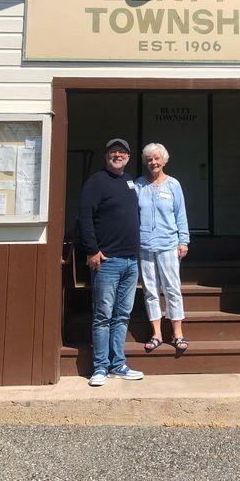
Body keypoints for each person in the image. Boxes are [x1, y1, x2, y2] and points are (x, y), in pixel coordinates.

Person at [78, 138, 144, 386]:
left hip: (130, 260)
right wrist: (92, 250)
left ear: (128, 156)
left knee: (122, 315)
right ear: (106, 156)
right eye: (113, 152)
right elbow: (85, 217)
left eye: (122, 152)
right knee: (103, 315)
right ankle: (100, 368)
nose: (118, 155)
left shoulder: (129, 182)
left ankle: (118, 365)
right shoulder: (96, 182)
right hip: (107, 261)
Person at [135, 142, 190, 355]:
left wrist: (183, 241)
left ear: (164, 160)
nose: (153, 162)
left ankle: (177, 333)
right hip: (145, 245)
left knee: (172, 289)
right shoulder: (139, 185)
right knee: (150, 290)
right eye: (149, 159)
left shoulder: (173, 185)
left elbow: (180, 214)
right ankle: (156, 333)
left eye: (156, 158)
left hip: (168, 244)